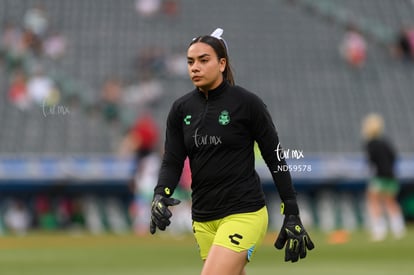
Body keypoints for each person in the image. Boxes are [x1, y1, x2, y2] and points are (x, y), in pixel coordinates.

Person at [149, 28, 314, 274]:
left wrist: (291, 211)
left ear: (222, 63)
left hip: (244, 213)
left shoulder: (247, 104)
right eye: (190, 62)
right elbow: (173, 160)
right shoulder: (180, 109)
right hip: (203, 219)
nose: (195, 67)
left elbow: (275, 157)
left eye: (204, 60)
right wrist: (160, 194)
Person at [361, 113, 406, 241]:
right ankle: (398, 228)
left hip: (379, 177)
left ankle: (379, 229)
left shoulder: (370, 144)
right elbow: (394, 157)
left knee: (373, 202)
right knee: (390, 202)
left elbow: (371, 162)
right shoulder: (385, 142)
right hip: (391, 176)